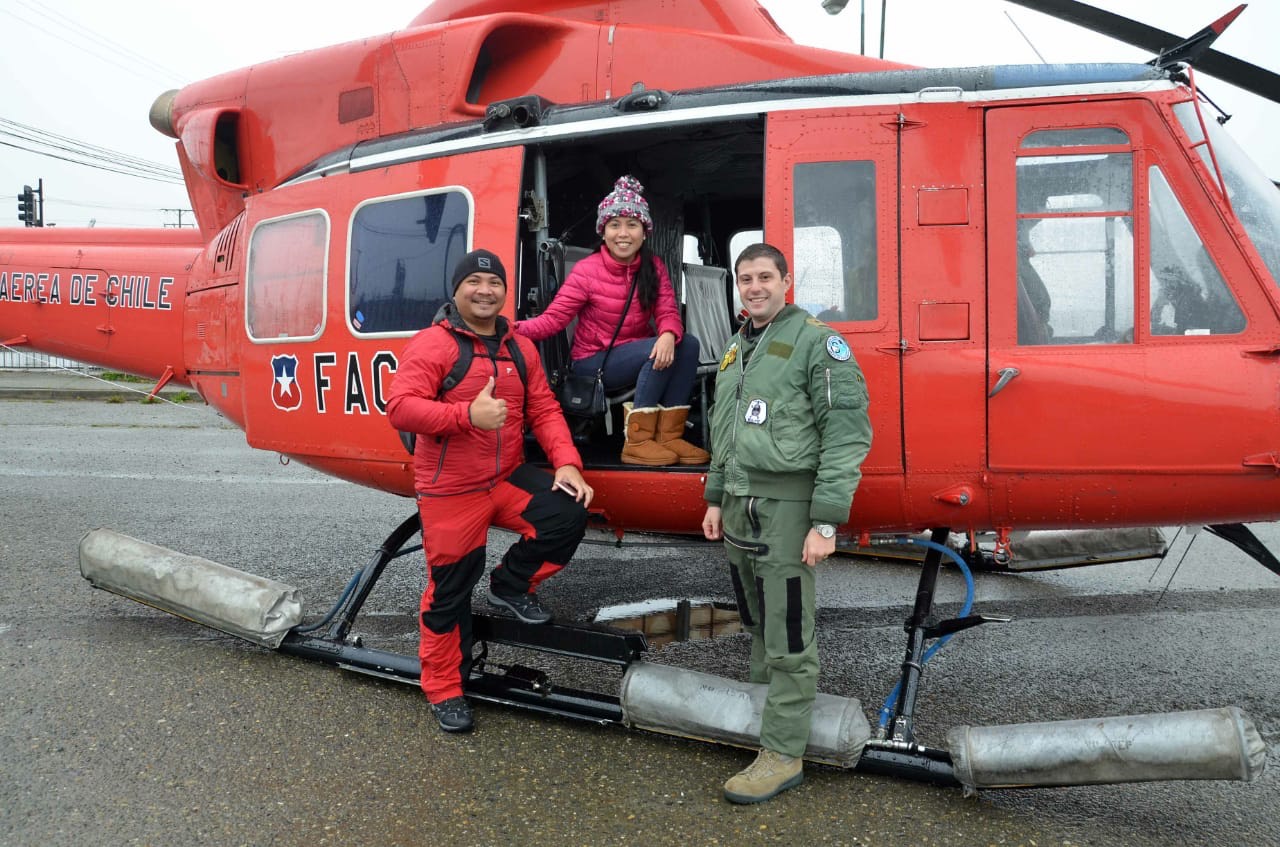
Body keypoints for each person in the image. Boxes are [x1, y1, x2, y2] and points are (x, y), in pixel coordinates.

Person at [387, 248, 594, 734]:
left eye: (494, 282)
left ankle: (510, 585)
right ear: (456, 291)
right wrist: (465, 417)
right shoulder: (432, 345)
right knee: (450, 591)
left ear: (505, 292)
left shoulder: (520, 348)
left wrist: (568, 463)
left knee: (567, 513)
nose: (485, 290)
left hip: (503, 477)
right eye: (475, 281)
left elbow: (543, 409)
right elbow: (400, 408)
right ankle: (443, 688)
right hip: (451, 488)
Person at [701, 243, 872, 804]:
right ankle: (761, 722)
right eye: (745, 278)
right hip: (739, 508)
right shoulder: (736, 347)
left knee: (790, 634)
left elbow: (846, 435)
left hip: (788, 507)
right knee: (755, 621)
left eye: (764, 277)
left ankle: (783, 753)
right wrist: (714, 498)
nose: (754, 287)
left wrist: (825, 522)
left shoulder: (817, 343)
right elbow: (725, 433)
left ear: (786, 280)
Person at [517, 175, 709, 466]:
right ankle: (637, 442)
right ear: (603, 231)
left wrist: (669, 333)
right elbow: (553, 321)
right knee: (656, 350)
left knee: (688, 344)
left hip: (637, 352)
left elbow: (668, 311)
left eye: (632, 225)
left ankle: (670, 437)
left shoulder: (652, 266)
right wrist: (509, 329)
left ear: (644, 233)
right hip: (593, 362)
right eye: (614, 225)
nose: (623, 233)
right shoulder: (586, 271)